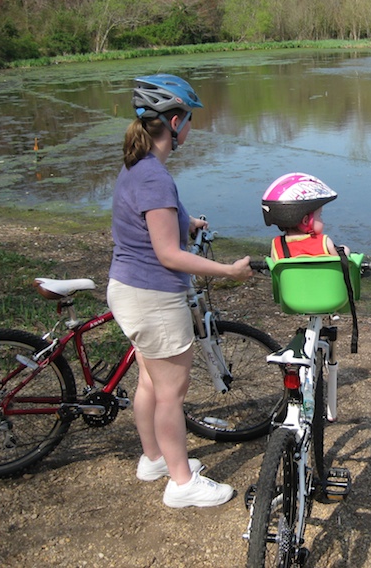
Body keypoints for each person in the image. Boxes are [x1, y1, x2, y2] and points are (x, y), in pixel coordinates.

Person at [107, 74, 252, 508]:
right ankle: (182, 483)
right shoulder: (154, 178)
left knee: (151, 382)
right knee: (171, 392)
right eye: (189, 119)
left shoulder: (141, 168)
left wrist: (186, 223)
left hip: (131, 289)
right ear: (173, 121)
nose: (191, 127)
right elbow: (169, 254)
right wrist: (227, 270)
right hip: (152, 295)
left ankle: (154, 459)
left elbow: (150, 223)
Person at [261, 172, 350, 260]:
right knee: (345, 249)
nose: (322, 220)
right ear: (306, 221)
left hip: (292, 275)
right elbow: (339, 264)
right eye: (320, 216)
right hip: (322, 274)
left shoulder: (277, 245)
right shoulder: (324, 242)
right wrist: (345, 251)